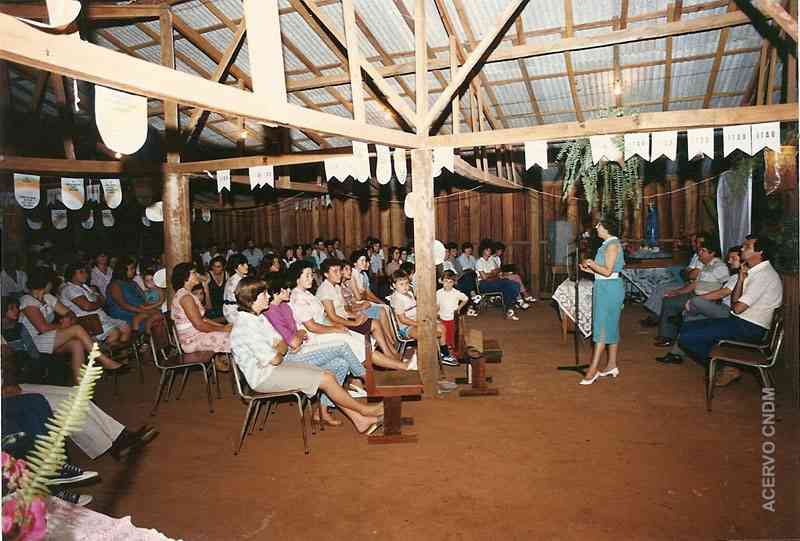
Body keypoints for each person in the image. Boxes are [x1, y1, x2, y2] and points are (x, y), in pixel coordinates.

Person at [230, 277, 384, 435]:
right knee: (327, 378)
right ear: (252, 299)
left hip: (276, 366)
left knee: (337, 365)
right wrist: (281, 346)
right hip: (265, 376)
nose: (268, 296)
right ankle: (364, 410)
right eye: (264, 294)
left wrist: (280, 346)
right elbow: (277, 357)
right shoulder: (247, 326)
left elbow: (280, 345)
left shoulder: (258, 318)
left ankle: (360, 420)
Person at [678, 236, 782, 386]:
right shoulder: (753, 271)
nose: (742, 249)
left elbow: (737, 308)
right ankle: (726, 365)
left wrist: (737, 294)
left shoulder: (764, 275)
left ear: (759, 252)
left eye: (747, 247)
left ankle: (724, 367)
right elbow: (735, 304)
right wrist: (740, 279)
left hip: (749, 328)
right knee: (686, 328)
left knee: (687, 337)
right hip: (739, 321)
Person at [290, 262, 412, 371]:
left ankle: (393, 360)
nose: (311, 278)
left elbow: (331, 314)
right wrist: (341, 327)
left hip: (329, 326)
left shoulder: (309, 293)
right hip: (315, 336)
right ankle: (401, 366)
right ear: (297, 278)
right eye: (307, 276)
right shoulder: (301, 297)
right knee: (359, 344)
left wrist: (353, 317)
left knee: (363, 340)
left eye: (311, 275)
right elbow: (313, 326)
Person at [18, 267, 126, 384]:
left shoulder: (48, 297)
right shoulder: (27, 301)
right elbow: (42, 328)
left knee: (77, 344)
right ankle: (104, 360)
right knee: (76, 329)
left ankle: (80, 384)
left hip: (50, 337)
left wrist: (68, 319)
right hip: (34, 342)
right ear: (46, 283)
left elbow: (70, 313)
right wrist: (63, 325)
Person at [656, 246, 742, 365]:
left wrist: (697, 299)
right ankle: (676, 353)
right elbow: (693, 281)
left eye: (734, 258)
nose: (729, 261)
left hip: (727, 310)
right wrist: (679, 292)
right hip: (717, 304)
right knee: (690, 318)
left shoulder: (736, 276)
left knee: (695, 304)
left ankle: (683, 316)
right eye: (729, 258)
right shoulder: (734, 276)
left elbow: (723, 292)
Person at [316, 259, 404, 367]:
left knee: (375, 322)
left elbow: (345, 309)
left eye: (339, 270)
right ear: (326, 274)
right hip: (337, 324)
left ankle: (391, 353)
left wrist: (357, 315)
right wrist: (354, 323)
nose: (339, 274)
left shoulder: (336, 286)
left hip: (345, 318)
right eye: (335, 271)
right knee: (374, 324)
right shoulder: (325, 290)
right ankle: (390, 355)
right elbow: (332, 316)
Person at [577, 215, 626, 385]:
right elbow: (604, 272)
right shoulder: (607, 244)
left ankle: (592, 370)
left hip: (609, 289)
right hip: (606, 286)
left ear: (607, 228)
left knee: (602, 327)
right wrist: (588, 269)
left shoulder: (612, 245)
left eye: (599, 225)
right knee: (610, 324)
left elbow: (607, 271)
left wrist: (591, 263)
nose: (596, 227)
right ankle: (611, 365)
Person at [654, 240, 730, 347]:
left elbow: (726, 286)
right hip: (694, 294)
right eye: (699, 250)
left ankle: (679, 329)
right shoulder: (703, 265)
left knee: (685, 310)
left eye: (703, 251)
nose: (700, 253)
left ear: (712, 253)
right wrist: (677, 292)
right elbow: (694, 284)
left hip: (707, 299)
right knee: (669, 300)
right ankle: (666, 335)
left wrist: (716, 299)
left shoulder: (719, 267)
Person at [170, 263, 232, 372]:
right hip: (192, 341)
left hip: (197, 336)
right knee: (236, 338)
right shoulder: (186, 298)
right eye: (194, 273)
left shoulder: (187, 294)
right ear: (185, 278)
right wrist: (223, 329)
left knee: (233, 333)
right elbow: (199, 325)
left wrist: (224, 327)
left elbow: (203, 319)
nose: (197, 275)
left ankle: (232, 367)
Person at [389, 270, 457, 365]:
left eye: (407, 283)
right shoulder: (397, 299)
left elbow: (416, 308)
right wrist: (420, 324)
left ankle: (444, 354)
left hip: (416, 321)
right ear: (394, 285)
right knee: (426, 334)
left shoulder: (409, 293)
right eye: (401, 284)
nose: (405, 286)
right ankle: (428, 359)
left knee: (441, 327)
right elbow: (403, 319)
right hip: (406, 328)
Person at [60, 263, 131, 346]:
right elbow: (87, 306)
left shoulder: (85, 287)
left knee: (126, 328)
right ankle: (104, 352)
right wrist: (98, 302)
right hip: (88, 322)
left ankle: (121, 353)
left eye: (86, 272)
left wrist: (97, 301)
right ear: (72, 274)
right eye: (81, 272)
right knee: (114, 333)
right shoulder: (69, 289)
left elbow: (104, 300)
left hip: (101, 318)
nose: (85, 274)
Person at [105, 257, 162, 332]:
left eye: (134, 268)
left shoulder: (133, 283)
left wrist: (153, 306)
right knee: (155, 322)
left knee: (160, 315)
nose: (133, 271)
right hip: (125, 315)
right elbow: (124, 305)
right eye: (131, 268)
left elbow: (144, 299)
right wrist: (144, 311)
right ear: (123, 270)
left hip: (140, 311)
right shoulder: (115, 285)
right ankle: (143, 335)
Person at [474, 241, 523, 320]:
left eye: (490, 250)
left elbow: (497, 272)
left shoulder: (491, 260)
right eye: (488, 250)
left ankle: (509, 310)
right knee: (507, 284)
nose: (489, 251)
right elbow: (484, 277)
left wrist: (490, 274)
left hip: (494, 281)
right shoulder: (479, 262)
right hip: (483, 285)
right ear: (483, 251)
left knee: (515, 285)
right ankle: (509, 309)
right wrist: (492, 273)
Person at [437, 270, 468, 353]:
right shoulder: (438, 293)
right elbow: (437, 304)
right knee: (444, 335)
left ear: (454, 283)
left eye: (450, 282)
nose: (448, 284)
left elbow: (465, 299)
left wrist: (459, 308)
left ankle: (452, 349)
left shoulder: (456, 293)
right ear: (441, 281)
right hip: (442, 318)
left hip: (452, 319)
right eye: (445, 281)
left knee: (452, 335)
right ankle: (445, 349)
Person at [223, 254, 249, 324]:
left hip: (238, 307)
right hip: (233, 311)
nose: (246, 266)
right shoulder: (235, 281)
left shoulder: (241, 277)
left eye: (246, 263)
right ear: (235, 267)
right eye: (242, 265)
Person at [206, 255, 227, 320]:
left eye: (218, 267)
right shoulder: (208, 275)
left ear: (223, 267)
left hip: (224, 305)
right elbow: (206, 293)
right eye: (213, 266)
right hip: (212, 305)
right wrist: (209, 306)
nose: (215, 269)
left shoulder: (226, 274)